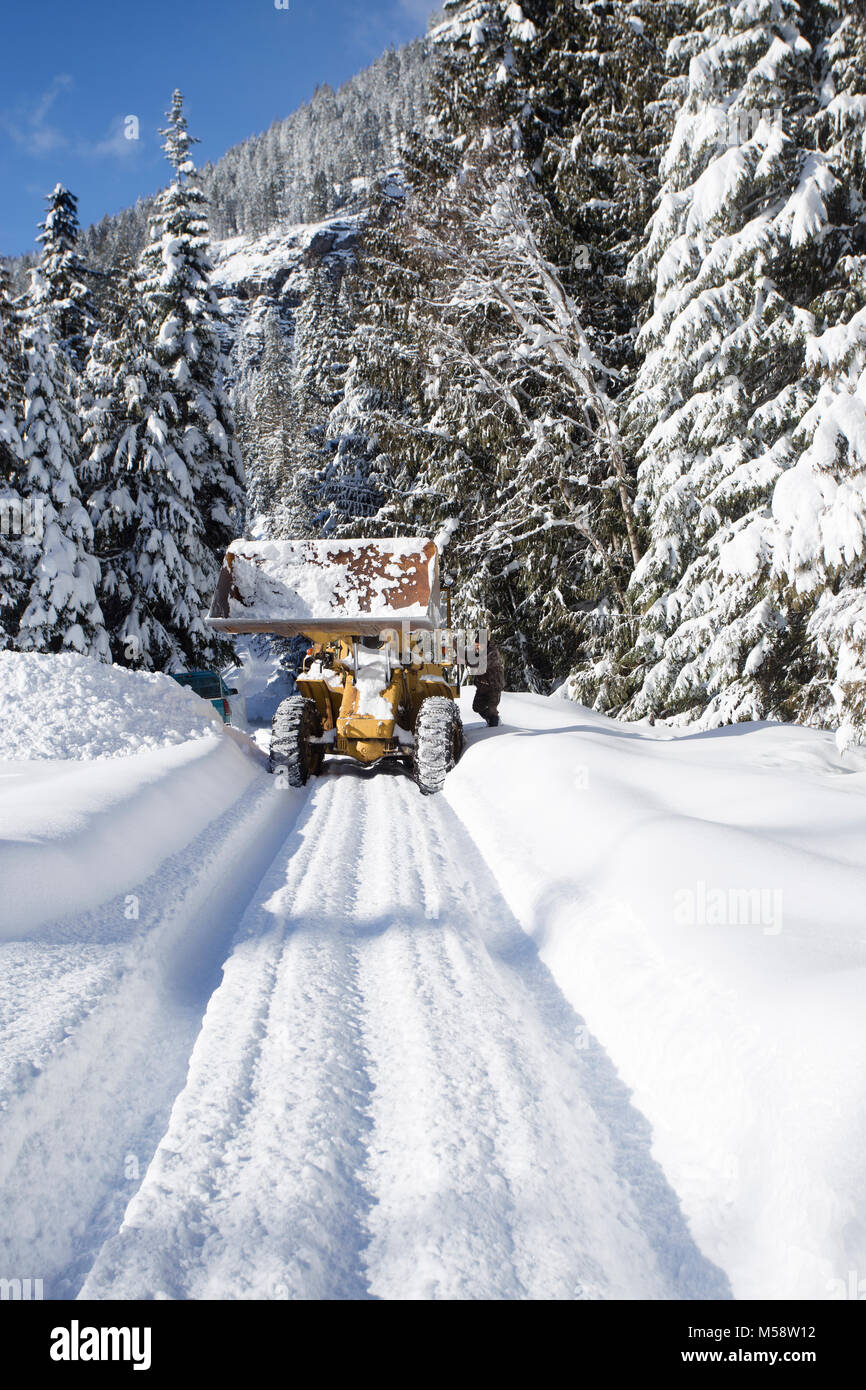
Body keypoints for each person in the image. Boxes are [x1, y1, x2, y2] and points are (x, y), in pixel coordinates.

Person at [471, 635, 504, 727]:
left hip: (493, 686)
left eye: (479, 645)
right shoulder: (479, 652)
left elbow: (481, 664)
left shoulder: (493, 653)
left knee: (491, 709)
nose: (477, 647)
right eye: (476, 645)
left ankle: (494, 727)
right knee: (477, 707)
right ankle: (490, 720)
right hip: (483, 686)